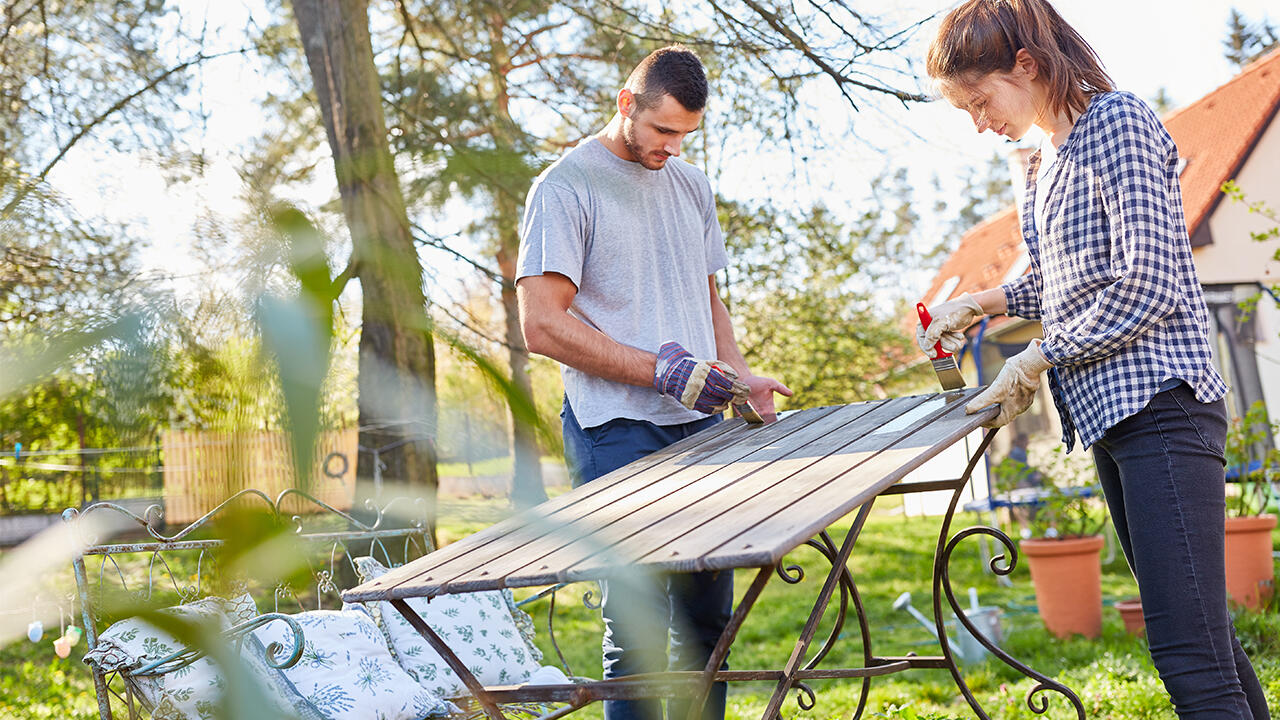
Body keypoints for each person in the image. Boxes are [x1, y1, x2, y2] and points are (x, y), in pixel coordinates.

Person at [919, 2, 1271, 718]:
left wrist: (1039, 356)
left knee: (1185, 649)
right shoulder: (1044, 163)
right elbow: (1061, 279)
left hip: (1162, 405)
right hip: (1112, 418)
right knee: (1206, 641)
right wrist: (980, 302)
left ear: (1026, 64)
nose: (980, 123)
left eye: (981, 102)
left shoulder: (1120, 123)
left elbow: (1150, 281)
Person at [515, 45, 791, 720]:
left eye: (686, 136)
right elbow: (543, 327)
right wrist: (661, 371)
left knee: (706, 625)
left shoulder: (691, 186)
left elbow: (707, 301)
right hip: (614, 430)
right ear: (626, 105)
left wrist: (738, 373)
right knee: (636, 635)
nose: (672, 148)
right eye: (663, 131)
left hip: (701, 425)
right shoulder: (565, 187)